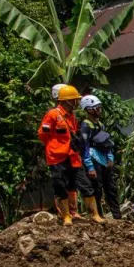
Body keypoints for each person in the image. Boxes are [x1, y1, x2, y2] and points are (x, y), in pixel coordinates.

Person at [39, 84, 91, 226]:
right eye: (74, 99)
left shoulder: (72, 117)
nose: (76, 102)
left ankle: (74, 213)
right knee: (60, 184)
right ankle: (65, 215)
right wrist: (55, 146)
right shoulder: (53, 114)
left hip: (71, 155)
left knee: (72, 185)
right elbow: (43, 134)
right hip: (56, 156)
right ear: (66, 100)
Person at [79, 94, 120, 221]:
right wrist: (90, 167)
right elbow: (84, 148)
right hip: (93, 159)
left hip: (104, 160)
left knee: (111, 188)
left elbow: (106, 143)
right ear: (89, 109)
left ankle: (117, 216)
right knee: (97, 189)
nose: (100, 110)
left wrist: (110, 158)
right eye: (97, 108)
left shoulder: (100, 124)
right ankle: (98, 215)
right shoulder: (85, 126)